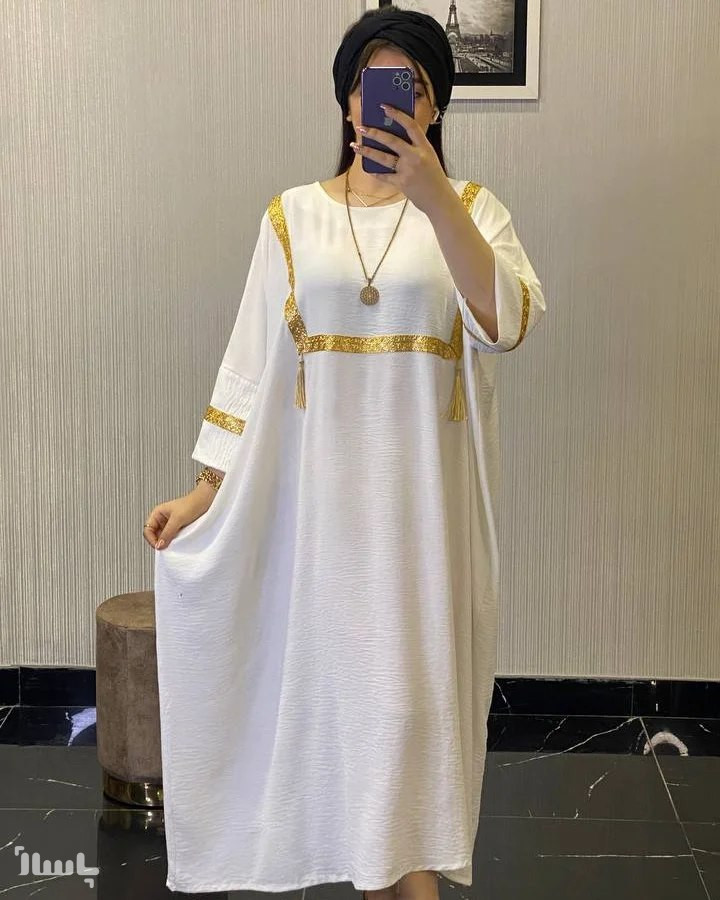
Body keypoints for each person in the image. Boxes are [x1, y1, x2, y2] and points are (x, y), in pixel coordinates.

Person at [144, 5, 546, 898]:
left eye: (410, 86)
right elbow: (251, 362)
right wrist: (206, 489)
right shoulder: (292, 218)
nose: (385, 102)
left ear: (434, 107)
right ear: (346, 99)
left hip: (421, 535)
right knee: (357, 759)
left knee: (403, 743)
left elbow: (506, 323)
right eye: (370, 83)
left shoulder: (473, 213)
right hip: (320, 534)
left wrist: (435, 197)